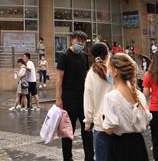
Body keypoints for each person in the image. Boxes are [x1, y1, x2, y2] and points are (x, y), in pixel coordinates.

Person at [101, 53, 151, 161]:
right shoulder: (139, 95)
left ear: (115, 71)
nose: (107, 72)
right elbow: (146, 121)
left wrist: (102, 120)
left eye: (108, 69)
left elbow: (109, 129)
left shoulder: (111, 97)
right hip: (138, 145)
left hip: (119, 147)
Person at [56, 30, 93, 161]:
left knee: (87, 128)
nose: (81, 44)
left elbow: (87, 75)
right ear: (72, 40)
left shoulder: (84, 56)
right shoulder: (64, 56)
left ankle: (89, 157)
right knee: (68, 129)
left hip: (83, 96)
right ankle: (68, 157)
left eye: (83, 42)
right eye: (78, 41)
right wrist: (58, 98)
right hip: (69, 96)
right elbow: (59, 78)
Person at [83, 43, 113, 161]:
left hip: (100, 125)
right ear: (107, 54)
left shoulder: (91, 74)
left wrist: (88, 122)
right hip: (117, 123)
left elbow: (88, 101)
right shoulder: (114, 70)